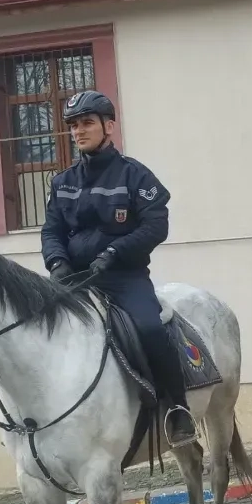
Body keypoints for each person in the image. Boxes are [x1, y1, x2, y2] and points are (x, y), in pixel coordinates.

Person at [41, 90, 197, 447]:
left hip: (123, 278)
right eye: (73, 126)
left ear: (108, 126)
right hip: (75, 280)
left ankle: (177, 408)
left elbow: (155, 226)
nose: (79, 131)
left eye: (87, 123)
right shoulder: (61, 183)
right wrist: (57, 262)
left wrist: (115, 251)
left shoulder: (136, 176)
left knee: (151, 328)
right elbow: (52, 230)